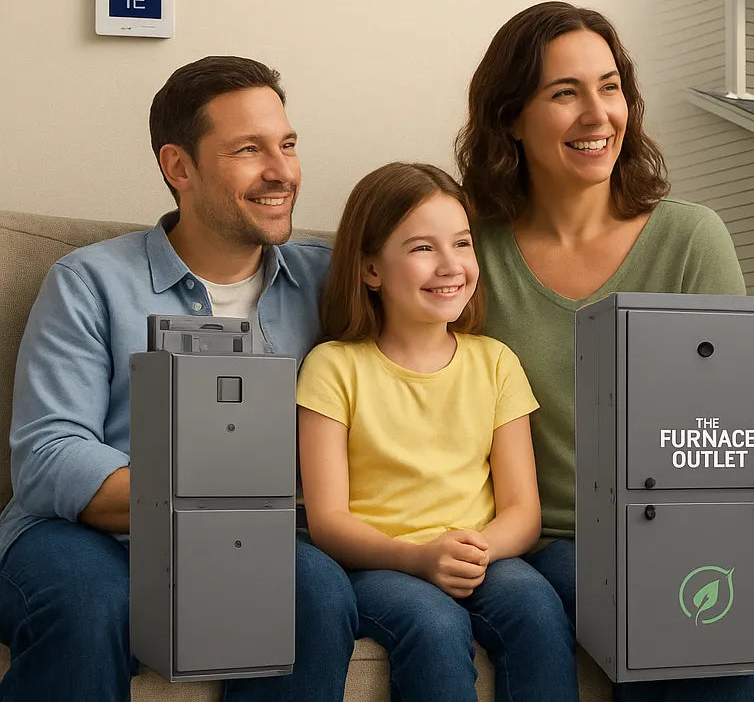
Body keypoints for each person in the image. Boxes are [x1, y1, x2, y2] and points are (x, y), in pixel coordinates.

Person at [0, 56, 357, 700]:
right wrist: (207, 492)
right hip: (86, 537)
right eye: (249, 150)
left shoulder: (331, 283)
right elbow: (49, 456)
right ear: (178, 167)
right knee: (89, 604)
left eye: (288, 145)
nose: (282, 172)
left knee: (319, 593)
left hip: (257, 538)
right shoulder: (89, 281)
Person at [455, 1, 753, 702]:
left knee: (703, 610)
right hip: (541, 538)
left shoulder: (691, 239)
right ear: (510, 119)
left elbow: (736, 432)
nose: (598, 115)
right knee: (656, 606)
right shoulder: (469, 252)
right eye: (565, 93)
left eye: (610, 86)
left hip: (675, 528)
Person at [297, 162, 573, 702]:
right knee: (434, 623)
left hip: (482, 554)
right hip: (379, 562)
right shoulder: (332, 367)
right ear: (371, 269)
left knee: (537, 608)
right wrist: (418, 557)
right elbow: (328, 521)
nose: (451, 266)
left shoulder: (496, 363)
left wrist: (475, 551)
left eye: (463, 243)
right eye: (423, 248)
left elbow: (523, 510)